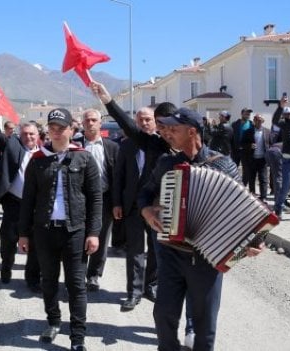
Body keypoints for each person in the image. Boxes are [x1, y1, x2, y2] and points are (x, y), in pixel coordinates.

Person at [139, 108, 264, 351]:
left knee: (205, 327)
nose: (167, 133)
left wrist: (255, 240)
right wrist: (146, 211)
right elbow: (145, 192)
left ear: (192, 131)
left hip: (207, 258)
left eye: (174, 129)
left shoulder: (223, 164)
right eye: (166, 128)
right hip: (171, 253)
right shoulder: (167, 163)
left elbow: (246, 208)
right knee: (163, 316)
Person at [18, 108, 102, 351]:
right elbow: (28, 200)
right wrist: (23, 233)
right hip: (44, 231)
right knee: (49, 282)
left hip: (74, 232)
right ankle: (53, 321)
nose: (55, 132)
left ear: (71, 130)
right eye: (52, 128)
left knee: (76, 285)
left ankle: (78, 337)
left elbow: (96, 198)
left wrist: (94, 232)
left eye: (61, 128)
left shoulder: (84, 158)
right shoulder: (38, 160)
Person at [89, 80, 171, 303]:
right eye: (140, 120)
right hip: (133, 205)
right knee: (134, 249)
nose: (144, 123)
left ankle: (150, 285)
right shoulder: (127, 145)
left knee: (155, 250)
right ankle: (133, 292)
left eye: (148, 120)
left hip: (157, 207)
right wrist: (117, 203)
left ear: (156, 123)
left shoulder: (164, 146)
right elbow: (118, 177)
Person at [0, 98, 42, 291]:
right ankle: (6, 266)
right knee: (8, 241)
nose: (29, 137)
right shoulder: (13, 145)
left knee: (36, 245)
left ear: (38, 135)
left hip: (36, 206)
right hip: (14, 204)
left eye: (32, 134)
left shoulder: (46, 152)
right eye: (25, 134)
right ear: (20, 135)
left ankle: (32, 279)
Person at [74, 109, 119, 292]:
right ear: (82, 124)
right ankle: (78, 274)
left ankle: (93, 275)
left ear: (100, 123)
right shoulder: (74, 145)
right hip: (79, 199)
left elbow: (117, 177)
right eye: (87, 120)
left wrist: (117, 203)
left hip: (104, 199)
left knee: (100, 238)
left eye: (94, 120)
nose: (90, 123)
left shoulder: (112, 147)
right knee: (79, 237)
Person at [241, 114, 271, 201]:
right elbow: (242, 143)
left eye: (260, 120)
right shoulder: (248, 131)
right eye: (256, 120)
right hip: (252, 158)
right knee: (251, 178)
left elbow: (271, 144)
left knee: (263, 179)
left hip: (263, 159)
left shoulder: (267, 132)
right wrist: (249, 145)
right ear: (254, 121)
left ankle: (263, 197)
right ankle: (252, 196)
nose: (258, 122)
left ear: (263, 121)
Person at [231, 108, 254, 184]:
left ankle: (243, 186)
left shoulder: (251, 124)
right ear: (241, 114)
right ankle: (232, 184)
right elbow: (231, 137)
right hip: (235, 150)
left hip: (246, 151)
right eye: (246, 113)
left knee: (246, 170)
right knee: (233, 168)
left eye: (249, 114)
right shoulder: (235, 124)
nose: (248, 115)